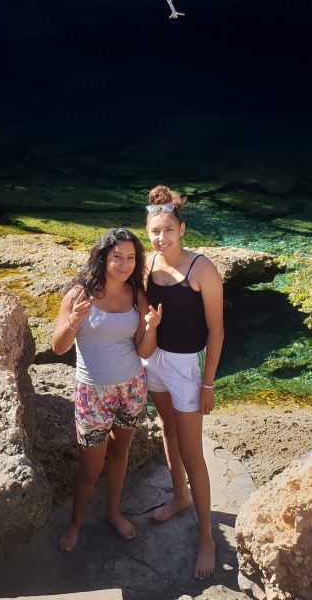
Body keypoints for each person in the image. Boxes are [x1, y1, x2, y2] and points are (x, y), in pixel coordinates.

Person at [50, 227, 160, 552]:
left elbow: (143, 351)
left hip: (131, 389)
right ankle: (75, 523)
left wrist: (152, 328)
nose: (124, 264)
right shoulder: (79, 295)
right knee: (90, 468)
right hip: (92, 395)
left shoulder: (136, 295)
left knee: (120, 453)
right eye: (117, 257)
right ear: (103, 256)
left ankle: (113, 511)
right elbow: (57, 347)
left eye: (131, 258)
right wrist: (72, 321)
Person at [141, 185, 224, 580]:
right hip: (154, 360)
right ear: (148, 232)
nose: (161, 238)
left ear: (182, 228)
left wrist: (208, 383)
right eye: (155, 231)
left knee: (193, 452)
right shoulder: (146, 264)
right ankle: (179, 497)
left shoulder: (201, 268)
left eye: (168, 230)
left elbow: (217, 331)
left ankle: (207, 536)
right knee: (166, 429)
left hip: (187, 366)